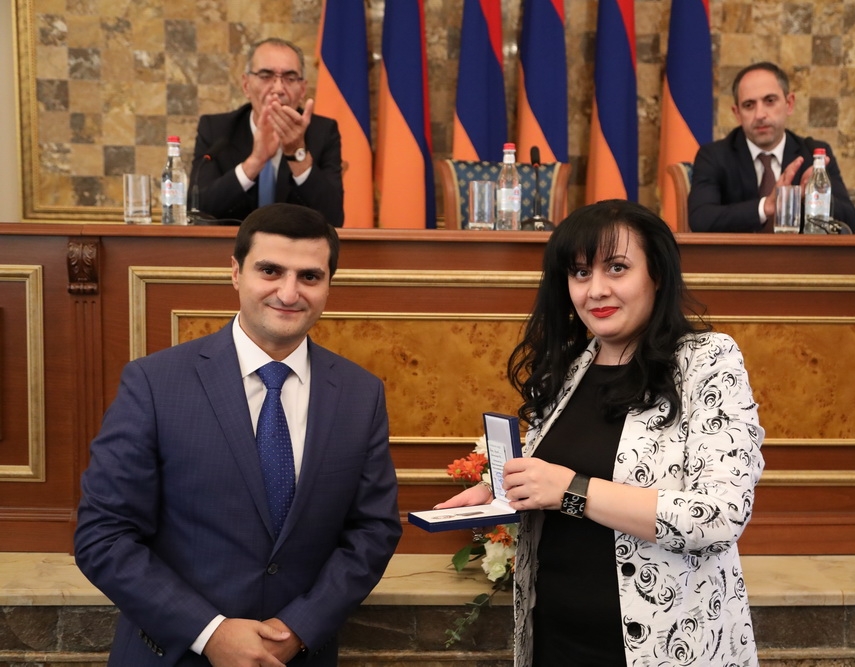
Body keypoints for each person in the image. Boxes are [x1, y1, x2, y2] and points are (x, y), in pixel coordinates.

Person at [436, 199, 764, 666]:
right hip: (556, 641)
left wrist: (571, 490)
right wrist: (500, 490)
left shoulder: (707, 360)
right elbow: (560, 468)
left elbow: (719, 517)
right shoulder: (572, 366)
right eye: (580, 272)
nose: (596, 290)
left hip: (665, 648)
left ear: (657, 274)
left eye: (617, 268)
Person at [74, 203, 401, 666]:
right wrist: (210, 634)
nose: (288, 292)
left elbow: (373, 530)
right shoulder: (154, 383)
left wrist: (298, 629)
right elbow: (103, 535)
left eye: (309, 276)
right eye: (270, 270)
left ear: (329, 284)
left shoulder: (359, 393)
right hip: (174, 654)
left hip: (297, 656)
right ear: (235, 272)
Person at [688, 61, 855, 234]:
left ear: (789, 104)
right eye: (749, 105)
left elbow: (851, 222)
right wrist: (766, 207)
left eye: (770, 101)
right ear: (737, 113)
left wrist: (813, 196)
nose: (760, 115)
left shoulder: (813, 154)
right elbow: (700, 219)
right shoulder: (714, 156)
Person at [189, 38, 345, 227]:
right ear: (246, 85)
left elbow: (334, 218)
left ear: (303, 89)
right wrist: (255, 162)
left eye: (290, 78)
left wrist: (297, 154)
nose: (278, 89)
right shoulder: (216, 129)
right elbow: (197, 211)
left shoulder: (323, 132)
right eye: (265, 76)